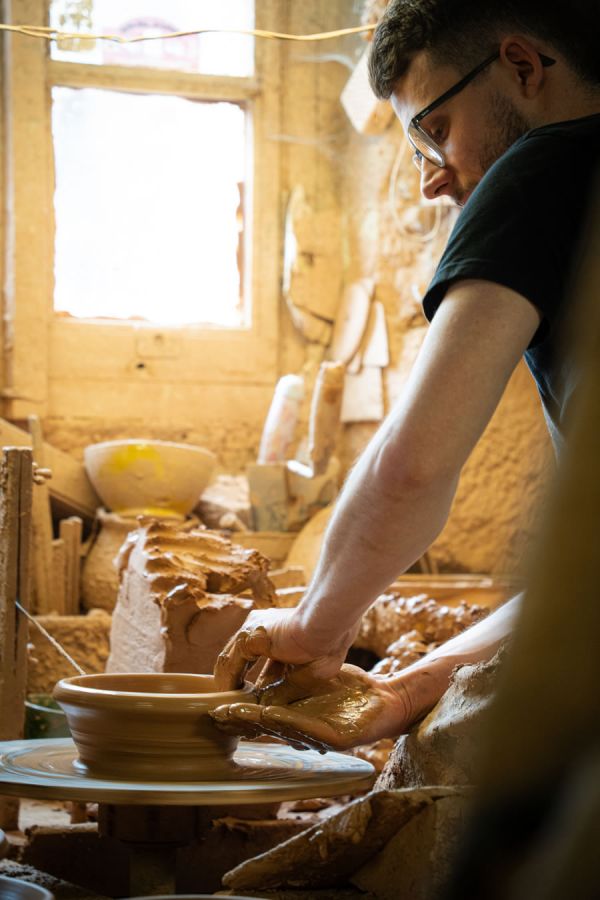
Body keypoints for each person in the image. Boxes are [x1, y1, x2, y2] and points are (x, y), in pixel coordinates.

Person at [210, 0, 600, 752]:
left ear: (521, 68)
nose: (432, 180)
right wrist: (405, 691)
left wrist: (311, 625)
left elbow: (412, 465)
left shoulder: (543, 168)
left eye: (432, 131)